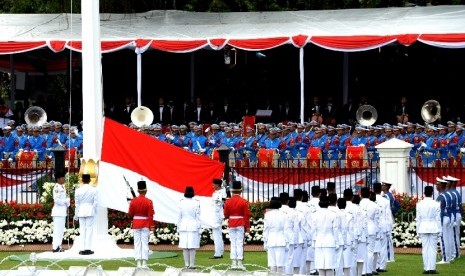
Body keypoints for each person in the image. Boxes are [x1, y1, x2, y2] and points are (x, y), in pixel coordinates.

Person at [224, 181, 251, 270]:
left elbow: (226, 214)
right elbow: (246, 215)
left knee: (233, 243)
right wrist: (247, 226)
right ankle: (239, 263)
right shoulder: (244, 201)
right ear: (240, 191)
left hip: (232, 223)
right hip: (240, 223)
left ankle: (233, 263)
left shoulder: (228, 202)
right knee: (240, 243)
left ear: (232, 191)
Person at [128, 180, 155, 268]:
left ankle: (138, 262)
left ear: (138, 190)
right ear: (145, 190)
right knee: (144, 243)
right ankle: (144, 263)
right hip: (145, 224)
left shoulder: (133, 201)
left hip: (136, 224)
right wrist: (152, 228)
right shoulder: (149, 201)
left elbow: (130, 214)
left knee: (137, 243)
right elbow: (150, 216)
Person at [416, 186, 441, 275]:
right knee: (433, 248)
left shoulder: (419, 204)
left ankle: (426, 268)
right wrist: (440, 231)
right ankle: (432, 268)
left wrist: (417, 230)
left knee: (425, 248)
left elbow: (418, 219)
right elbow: (438, 219)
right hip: (433, 226)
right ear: (432, 193)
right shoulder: (436, 204)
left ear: (424, 193)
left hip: (423, 227)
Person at [177, 186, 201, 269]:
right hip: (193, 226)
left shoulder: (181, 202)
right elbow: (198, 217)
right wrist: (199, 227)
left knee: (185, 247)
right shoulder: (196, 203)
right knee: (192, 246)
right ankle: (192, 264)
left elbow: (179, 217)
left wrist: (178, 226)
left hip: (183, 225)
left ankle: (186, 264)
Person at [74, 174, 98, 255]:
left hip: (81, 210)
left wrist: (76, 215)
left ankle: (82, 248)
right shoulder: (93, 190)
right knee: (89, 230)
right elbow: (95, 202)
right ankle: (88, 248)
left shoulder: (78, 190)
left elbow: (77, 204)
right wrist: (94, 211)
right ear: (89, 180)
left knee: (82, 230)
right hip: (90, 209)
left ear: (82, 180)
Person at [51, 172, 70, 253]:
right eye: (62, 177)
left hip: (62, 212)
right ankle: (55, 247)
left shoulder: (62, 187)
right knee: (57, 230)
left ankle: (59, 246)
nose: (64, 179)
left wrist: (67, 204)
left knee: (61, 230)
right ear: (58, 179)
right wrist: (65, 201)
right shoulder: (56, 187)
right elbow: (56, 200)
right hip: (58, 212)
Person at [210, 178, 227, 259]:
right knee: (217, 234)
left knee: (217, 235)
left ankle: (218, 253)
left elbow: (217, 206)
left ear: (217, 185)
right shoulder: (216, 193)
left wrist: (214, 217)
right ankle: (219, 252)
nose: (212, 185)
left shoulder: (220, 193)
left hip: (217, 216)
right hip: (216, 216)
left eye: (213, 184)